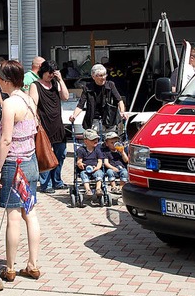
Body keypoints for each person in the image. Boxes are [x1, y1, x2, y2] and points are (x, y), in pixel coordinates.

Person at [0, 60, 41, 283]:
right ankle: (33, 264)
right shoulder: (29, 100)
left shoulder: (10, 104)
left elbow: (6, 139)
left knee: (13, 217)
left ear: (8, 80)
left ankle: (10, 267)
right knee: (30, 213)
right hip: (31, 162)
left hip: (14, 164)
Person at [29, 60, 70, 193]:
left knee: (61, 153)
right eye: (49, 73)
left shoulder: (55, 84)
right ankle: (46, 184)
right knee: (44, 154)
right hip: (43, 124)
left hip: (57, 124)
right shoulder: (35, 85)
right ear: (43, 71)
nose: (51, 76)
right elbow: (33, 104)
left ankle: (57, 180)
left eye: (53, 73)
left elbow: (65, 97)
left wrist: (60, 80)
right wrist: (35, 121)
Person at [69, 64, 127, 134]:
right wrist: (74, 116)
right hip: (93, 119)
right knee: (94, 140)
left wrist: (122, 112)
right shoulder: (87, 87)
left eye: (104, 75)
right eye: (100, 75)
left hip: (109, 119)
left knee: (110, 141)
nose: (103, 78)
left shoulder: (110, 85)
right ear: (93, 77)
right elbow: (80, 105)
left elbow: (119, 100)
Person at [76, 128, 105, 199]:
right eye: (92, 140)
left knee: (99, 173)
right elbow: (79, 160)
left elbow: (100, 161)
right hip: (85, 170)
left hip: (95, 168)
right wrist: (80, 164)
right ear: (86, 141)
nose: (95, 141)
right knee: (83, 174)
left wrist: (97, 168)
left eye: (97, 139)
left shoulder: (97, 150)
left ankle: (98, 189)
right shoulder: (81, 150)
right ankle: (88, 190)